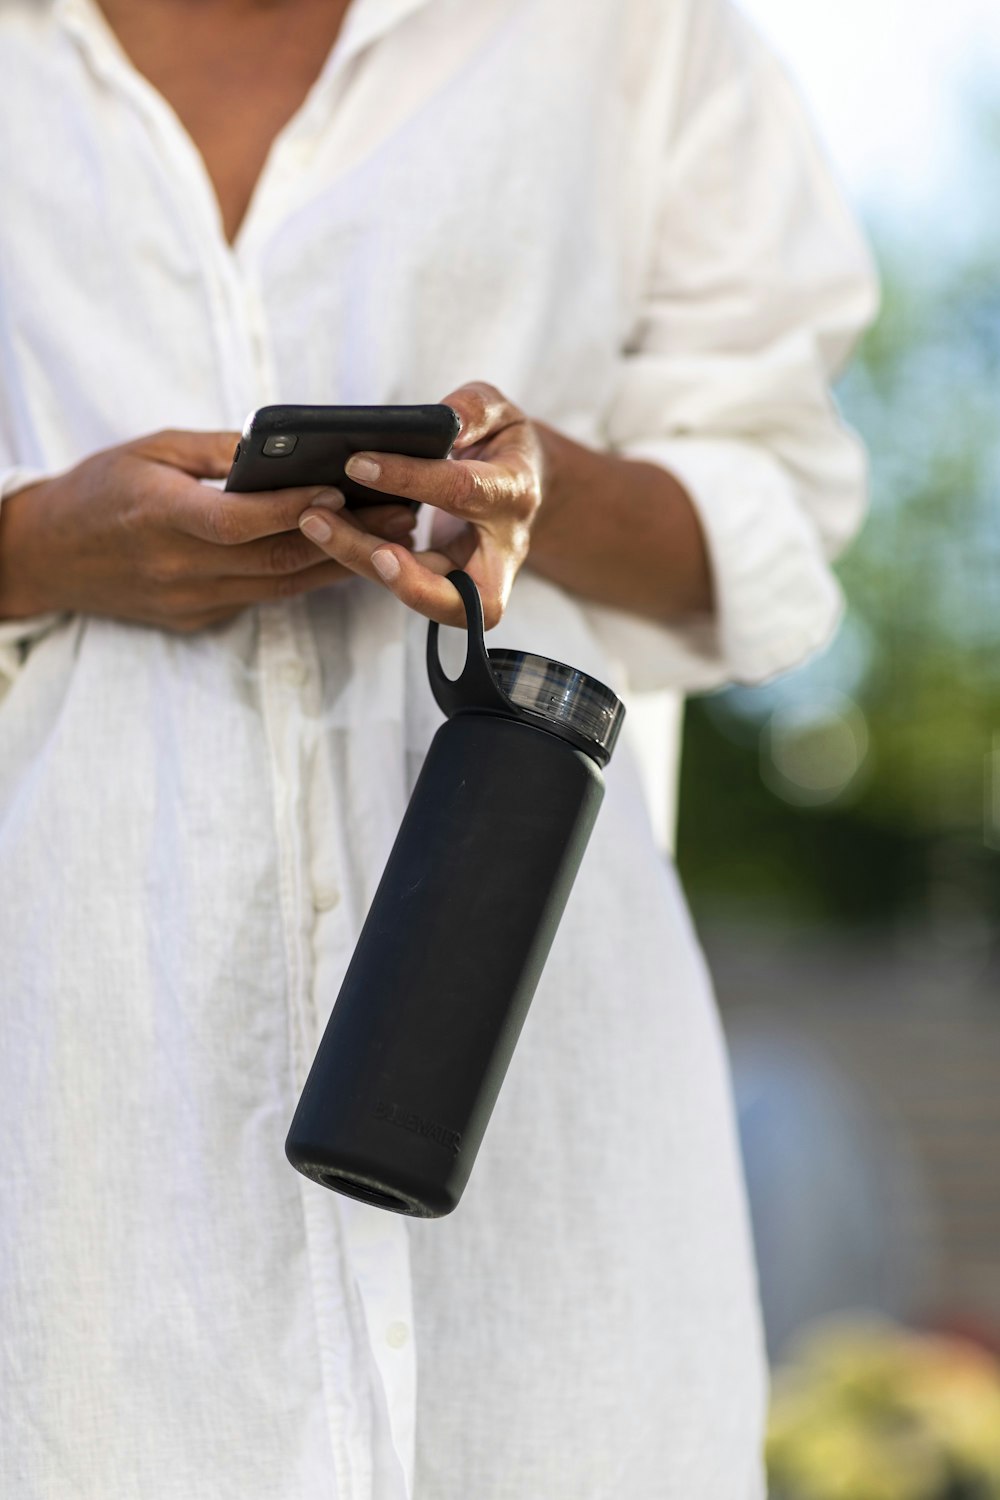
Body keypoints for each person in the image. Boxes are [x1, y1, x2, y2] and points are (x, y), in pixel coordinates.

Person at [0, 0, 877, 1495]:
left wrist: (537, 492)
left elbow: (779, 511)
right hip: (74, 1099)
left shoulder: (628, 33)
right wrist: (34, 552)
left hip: (550, 1093)